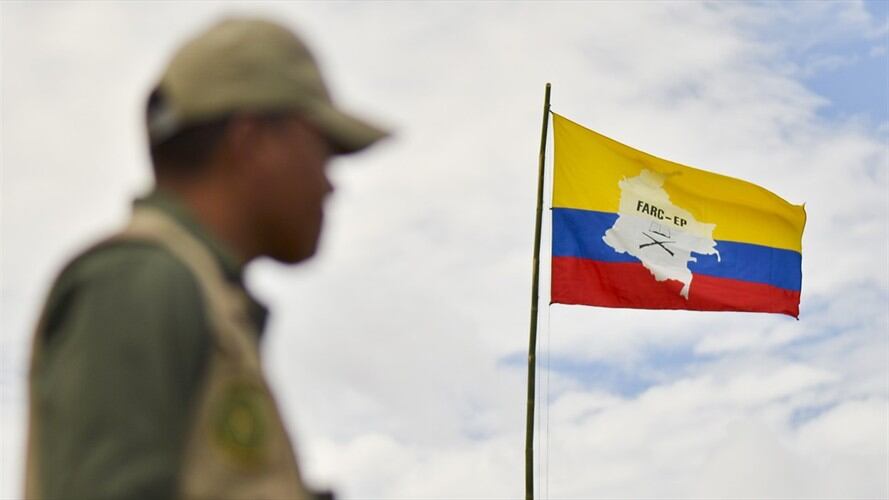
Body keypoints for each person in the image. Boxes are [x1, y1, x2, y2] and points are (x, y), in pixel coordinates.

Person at [25, 16, 388, 500]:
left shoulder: (203, 302)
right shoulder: (138, 283)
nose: (329, 182)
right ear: (251, 140)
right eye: (322, 149)